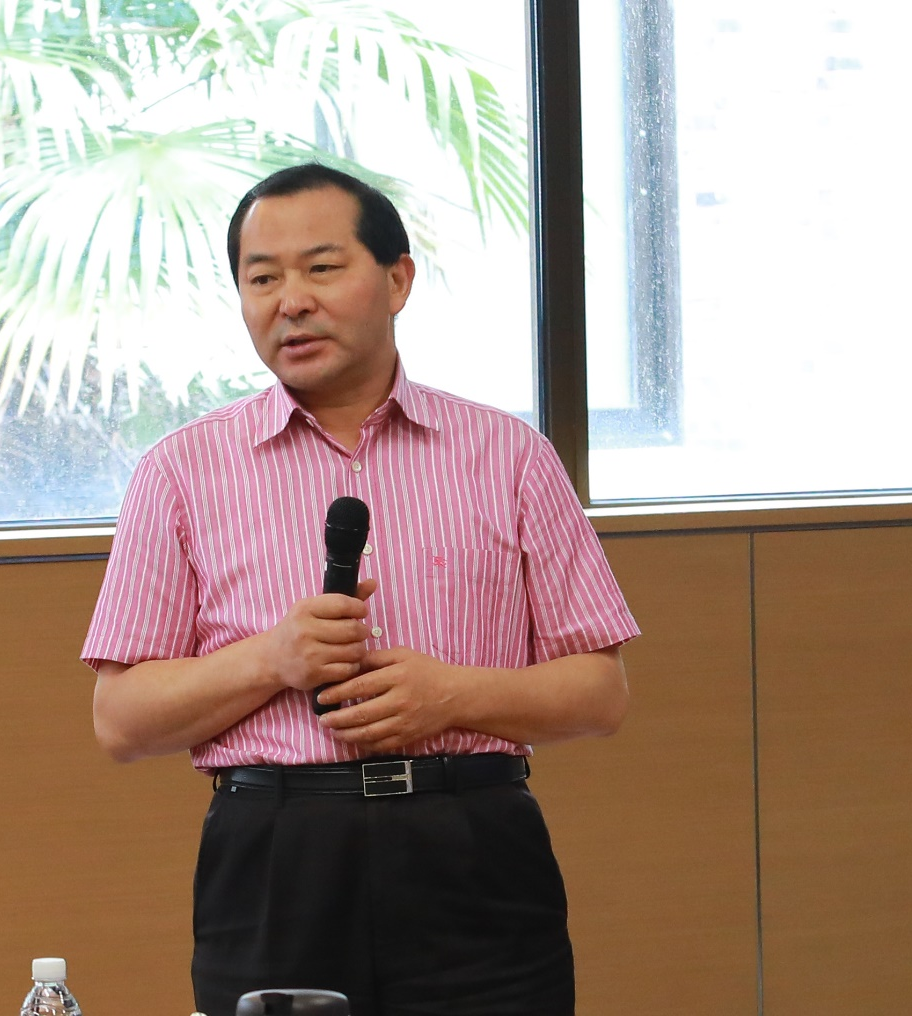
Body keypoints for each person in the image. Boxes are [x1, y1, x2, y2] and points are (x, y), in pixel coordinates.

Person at [83, 163, 640, 1016]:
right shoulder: (181, 471)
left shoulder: (510, 456)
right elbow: (120, 721)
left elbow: (600, 693)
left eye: (321, 267)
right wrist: (271, 659)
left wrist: (451, 695)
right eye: (262, 279)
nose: (291, 301)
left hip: (474, 846)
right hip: (275, 854)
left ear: (397, 279)